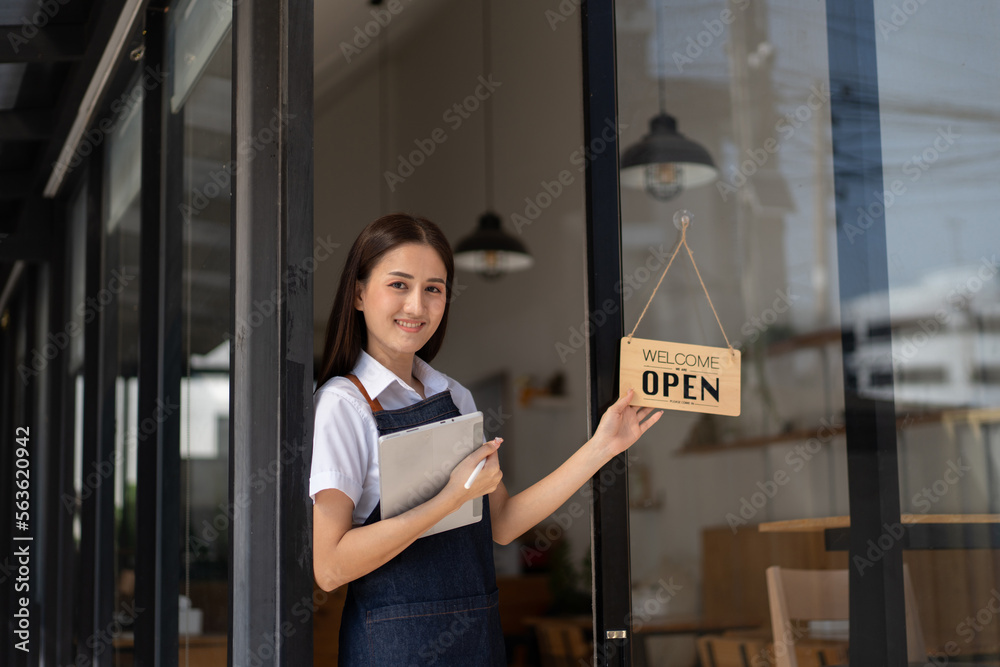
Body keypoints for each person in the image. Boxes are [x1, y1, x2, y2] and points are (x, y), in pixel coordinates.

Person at [311, 213, 662, 666]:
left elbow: (504, 523)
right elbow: (330, 567)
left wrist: (602, 447)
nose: (417, 306)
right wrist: (452, 497)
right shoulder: (343, 404)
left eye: (434, 289)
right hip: (394, 650)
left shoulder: (454, 396)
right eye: (399, 284)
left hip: (477, 641)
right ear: (358, 293)